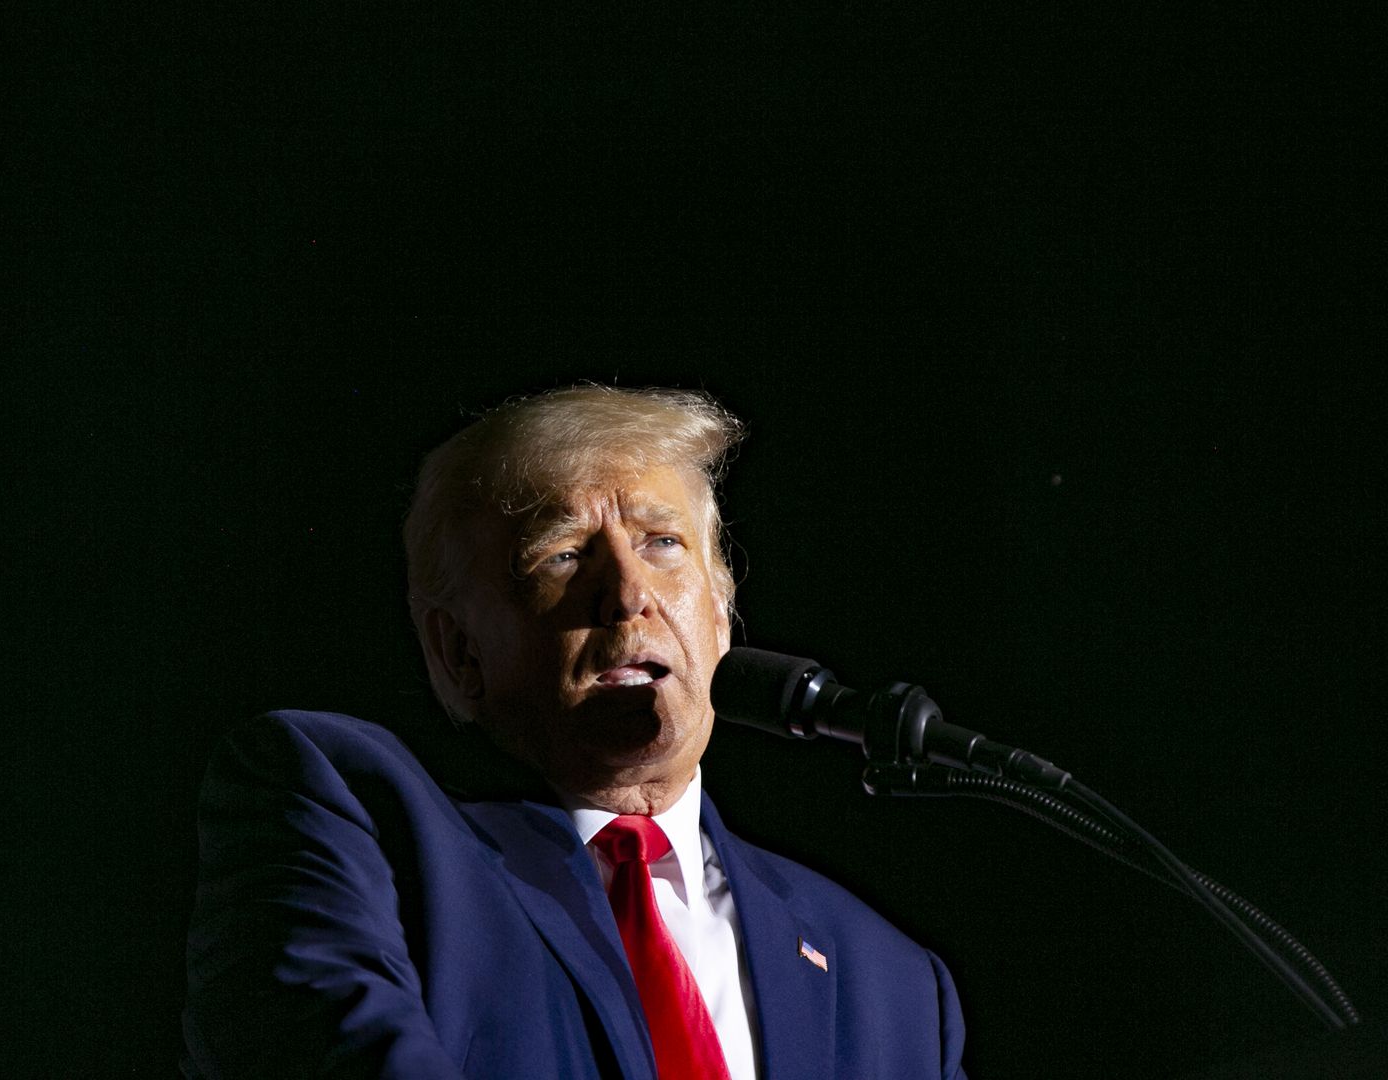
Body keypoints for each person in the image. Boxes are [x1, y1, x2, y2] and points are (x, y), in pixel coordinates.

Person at [182, 386, 967, 1079]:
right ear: (458, 653)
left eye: (663, 544)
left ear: (722, 618)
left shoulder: (892, 985)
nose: (629, 594)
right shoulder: (356, 821)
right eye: (563, 555)